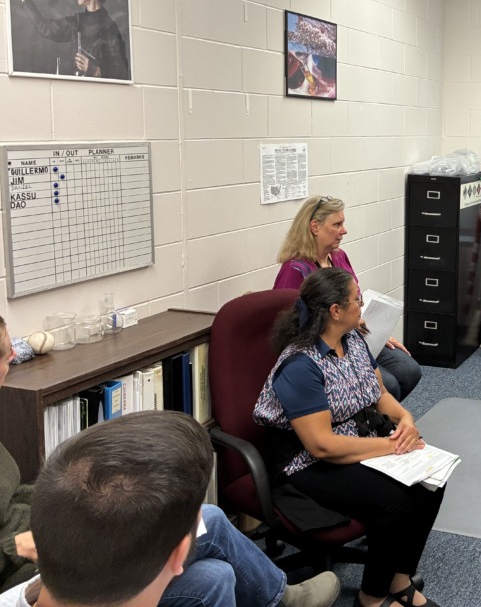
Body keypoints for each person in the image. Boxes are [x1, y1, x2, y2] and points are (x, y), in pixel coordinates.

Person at [0, 318, 339, 607]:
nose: (15, 355)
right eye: (5, 352)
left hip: (58, 534)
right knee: (210, 557)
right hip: (39, 564)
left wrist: (64, 508)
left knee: (214, 545)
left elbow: (18, 492)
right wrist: (21, 543)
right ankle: (280, 597)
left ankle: (279, 596)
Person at [254, 268, 443, 607]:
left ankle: (399, 579)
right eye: (357, 300)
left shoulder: (352, 339)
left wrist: (406, 419)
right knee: (396, 500)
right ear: (335, 312)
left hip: (356, 439)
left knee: (431, 483)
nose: (362, 305)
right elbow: (321, 445)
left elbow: (379, 393)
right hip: (305, 464)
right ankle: (370, 598)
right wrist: (391, 446)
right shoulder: (300, 365)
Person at [274, 195, 421, 402]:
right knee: (387, 385)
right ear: (315, 227)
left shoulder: (338, 256)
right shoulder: (295, 270)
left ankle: (374, 419)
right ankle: (367, 424)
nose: (344, 230)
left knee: (408, 370)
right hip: (325, 350)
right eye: (337, 224)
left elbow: (356, 299)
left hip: (354, 337)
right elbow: (292, 330)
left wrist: (378, 333)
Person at [9, 0, 130, 80]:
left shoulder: (110, 28)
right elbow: (44, 27)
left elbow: (123, 74)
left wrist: (96, 71)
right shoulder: (76, 23)